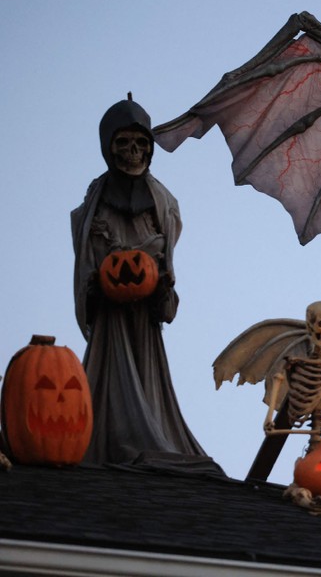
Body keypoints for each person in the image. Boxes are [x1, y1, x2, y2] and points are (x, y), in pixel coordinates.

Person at [72, 98, 215, 471]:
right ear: (109, 146)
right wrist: (95, 283)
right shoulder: (96, 197)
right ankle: (107, 434)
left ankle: (152, 429)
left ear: (149, 149)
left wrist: (162, 285)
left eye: (141, 144)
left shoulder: (161, 200)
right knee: (110, 368)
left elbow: (166, 250)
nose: (133, 152)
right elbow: (88, 246)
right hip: (110, 304)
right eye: (124, 143)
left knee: (147, 370)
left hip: (145, 302)